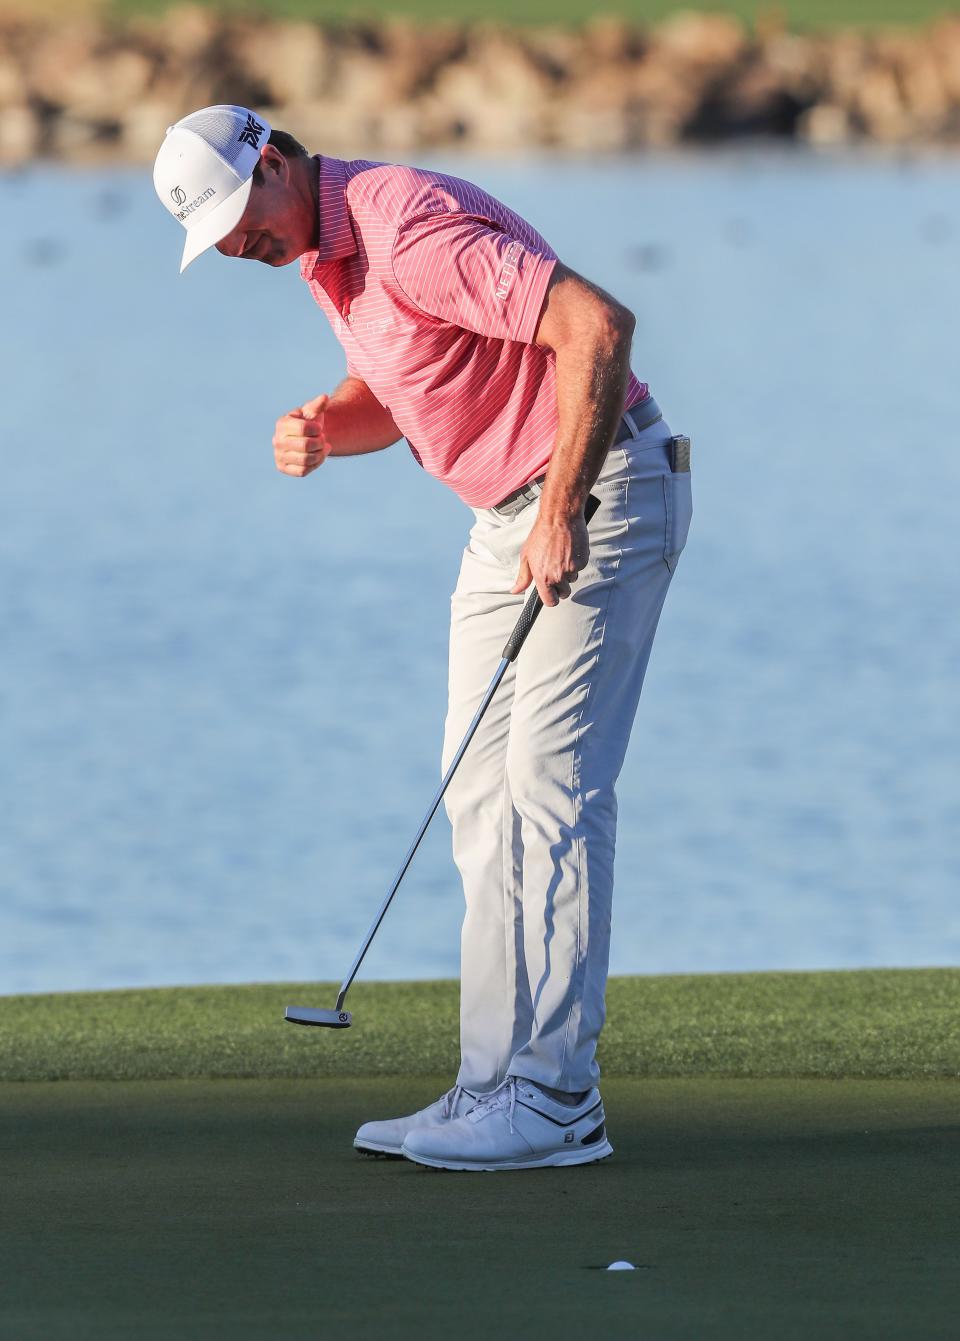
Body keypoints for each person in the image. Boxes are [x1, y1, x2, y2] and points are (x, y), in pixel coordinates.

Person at [153, 104, 692, 1172]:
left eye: (232, 217)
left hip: (599, 489)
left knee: (549, 788)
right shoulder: (327, 256)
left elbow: (596, 324)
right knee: (479, 794)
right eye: (212, 234)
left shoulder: (404, 227)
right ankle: (491, 1084)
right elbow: (408, 392)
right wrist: (325, 430)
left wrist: (562, 510)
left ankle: (554, 1098)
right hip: (506, 514)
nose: (232, 245)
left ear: (272, 161)